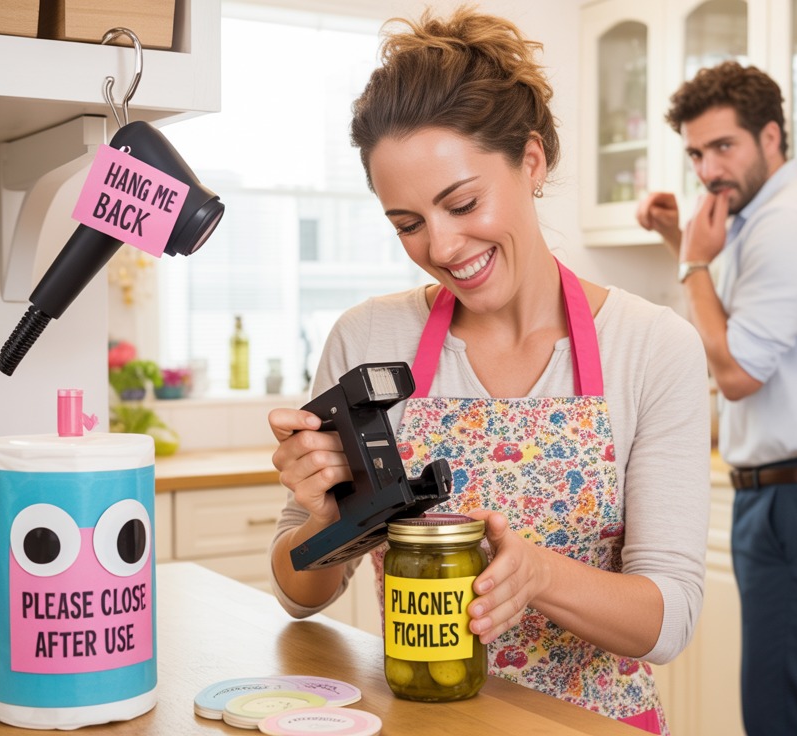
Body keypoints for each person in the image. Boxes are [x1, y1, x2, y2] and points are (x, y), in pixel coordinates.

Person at [266, 8, 709, 734]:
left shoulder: (653, 346)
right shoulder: (369, 337)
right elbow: (297, 592)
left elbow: (668, 619)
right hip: (419, 722)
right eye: (406, 223)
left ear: (530, 161)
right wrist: (325, 516)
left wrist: (538, 576)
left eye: (462, 202)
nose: (440, 245)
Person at [635, 62, 797, 736]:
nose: (708, 169)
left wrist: (692, 262)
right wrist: (682, 242)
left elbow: (736, 370)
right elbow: (740, 327)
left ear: (772, 137)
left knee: (776, 713)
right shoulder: (759, 219)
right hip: (795, 497)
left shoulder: (788, 224)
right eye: (695, 153)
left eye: (723, 147)